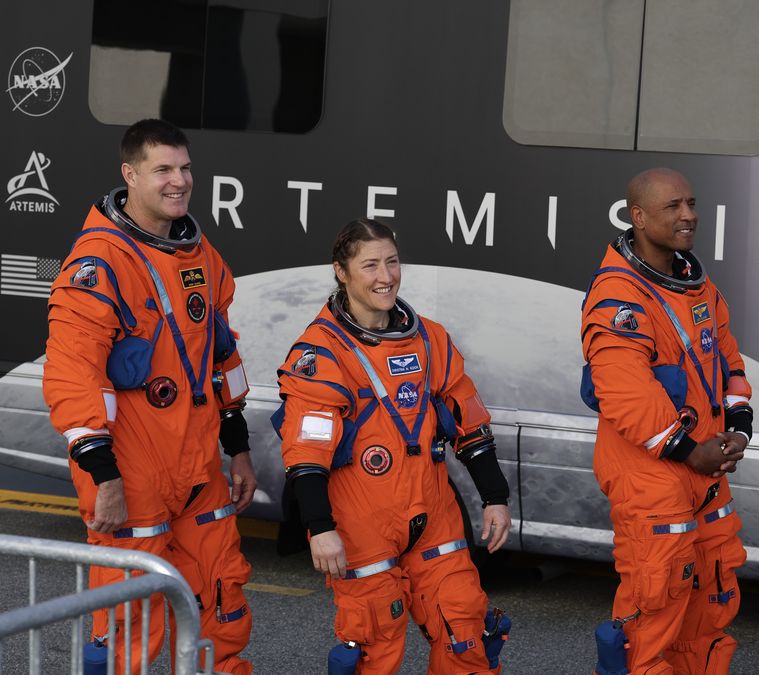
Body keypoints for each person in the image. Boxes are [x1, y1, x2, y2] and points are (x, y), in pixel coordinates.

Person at [42, 119, 255, 674]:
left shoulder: (200, 254)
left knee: (222, 607)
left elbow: (221, 358)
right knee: (129, 626)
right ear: (130, 175)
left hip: (200, 467)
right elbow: (73, 377)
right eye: (163, 169)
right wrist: (103, 476)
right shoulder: (98, 263)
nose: (178, 181)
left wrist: (239, 448)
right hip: (133, 474)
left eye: (185, 168)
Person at [276, 218, 512, 674]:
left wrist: (495, 497)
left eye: (392, 261)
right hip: (360, 528)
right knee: (375, 647)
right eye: (370, 265)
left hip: (433, 516)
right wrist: (320, 527)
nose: (385, 276)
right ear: (342, 272)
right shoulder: (322, 353)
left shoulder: (430, 339)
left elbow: (471, 424)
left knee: (467, 634)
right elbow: (306, 456)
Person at [580, 168, 752, 674]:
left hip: (702, 472)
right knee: (648, 624)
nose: (689, 215)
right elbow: (625, 393)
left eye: (692, 203)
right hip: (652, 476)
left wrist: (739, 427)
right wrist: (689, 450)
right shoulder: (619, 298)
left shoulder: (698, 287)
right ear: (638, 217)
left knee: (708, 614)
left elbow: (729, 363)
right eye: (673, 206)